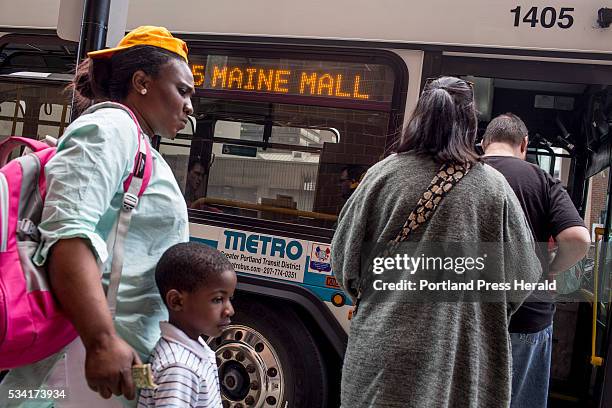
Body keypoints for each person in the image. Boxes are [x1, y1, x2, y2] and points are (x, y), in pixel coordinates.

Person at [0, 26, 194, 407]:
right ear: (141, 82)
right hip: (79, 366)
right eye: (182, 90)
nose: (190, 106)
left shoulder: (134, 139)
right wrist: (101, 342)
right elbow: (68, 234)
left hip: (115, 356)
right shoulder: (110, 128)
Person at [331, 76, 542, 407]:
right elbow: (523, 277)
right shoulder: (494, 189)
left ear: (420, 117)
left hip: (382, 360)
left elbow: (345, 263)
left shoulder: (381, 176)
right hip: (462, 361)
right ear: (471, 123)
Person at [482, 113, 591, 408]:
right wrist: (550, 269)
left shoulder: (463, 174)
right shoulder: (542, 180)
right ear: (524, 144)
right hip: (527, 314)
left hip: (469, 316)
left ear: (484, 142)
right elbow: (579, 240)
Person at [138, 242, 236, 407]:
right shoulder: (179, 368)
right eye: (218, 299)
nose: (230, 310)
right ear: (176, 301)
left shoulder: (191, 347)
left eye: (229, 299)